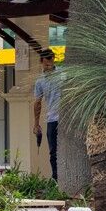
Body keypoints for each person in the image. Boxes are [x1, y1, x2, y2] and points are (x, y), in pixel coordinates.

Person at [33, 50, 62, 180]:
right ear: (41, 61)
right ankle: (56, 178)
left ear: (54, 59)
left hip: (66, 118)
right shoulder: (40, 81)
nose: (49, 64)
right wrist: (36, 124)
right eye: (46, 62)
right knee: (53, 151)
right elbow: (37, 103)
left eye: (51, 60)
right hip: (52, 119)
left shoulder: (63, 74)